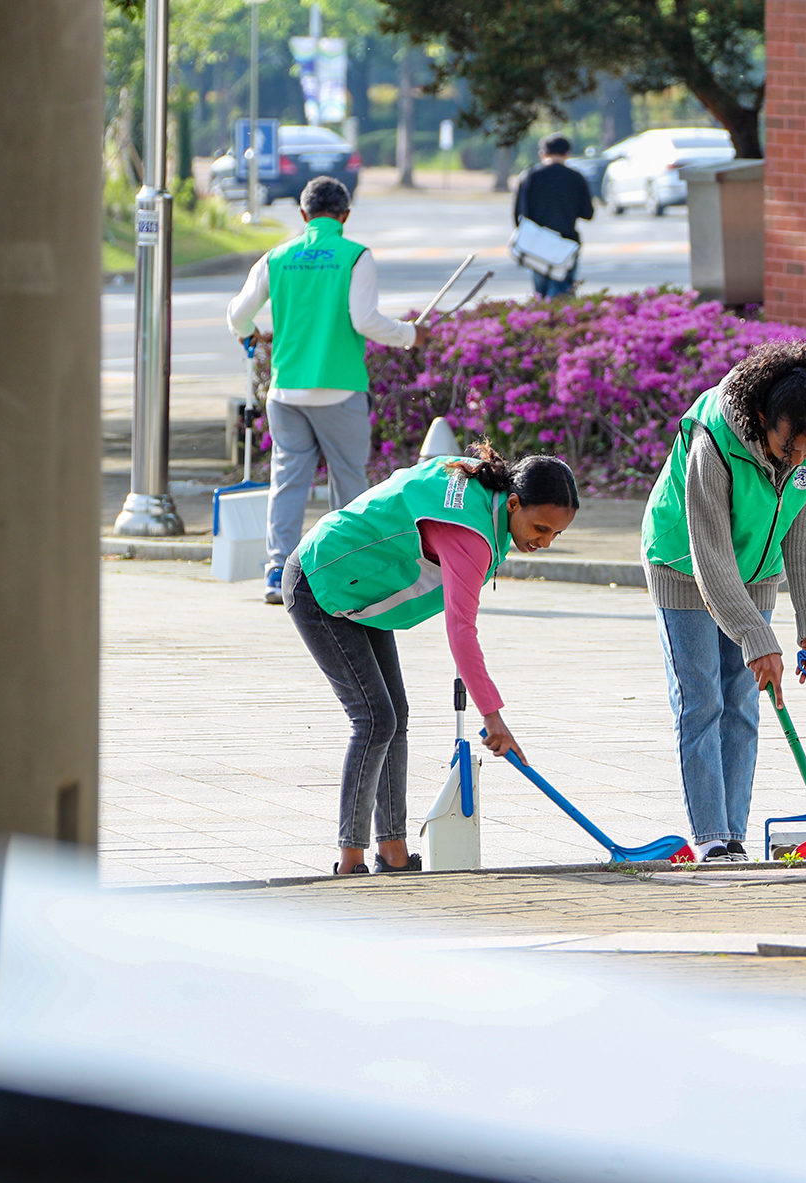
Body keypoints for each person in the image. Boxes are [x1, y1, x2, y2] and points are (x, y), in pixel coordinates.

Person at [286, 442, 579, 876]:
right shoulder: (472, 535)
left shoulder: (485, 485)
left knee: (394, 716)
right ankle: (350, 860)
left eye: (556, 534)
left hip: (363, 590)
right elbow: (461, 632)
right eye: (540, 528)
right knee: (374, 719)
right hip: (321, 583)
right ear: (513, 502)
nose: (545, 542)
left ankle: (394, 852)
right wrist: (493, 716)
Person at [640, 343, 806, 862]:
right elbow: (710, 554)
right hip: (683, 564)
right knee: (702, 699)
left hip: (757, 567)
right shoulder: (714, 438)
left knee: (744, 703)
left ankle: (733, 835)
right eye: (787, 447)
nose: (798, 459)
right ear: (761, 419)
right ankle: (710, 837)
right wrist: (757, 637)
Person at [228, 175, 419, 605]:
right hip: (340, 390)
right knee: (348, 482)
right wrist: (410, 335)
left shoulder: (276, 257)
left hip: (286, 391)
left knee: (287, 481)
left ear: (302, 214)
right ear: (345, 216)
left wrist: (252, 334)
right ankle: (345, 571)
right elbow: (365, 321)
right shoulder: (356, 256)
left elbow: (238, 314)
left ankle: (277, 572)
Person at [512, 133, 595, 298]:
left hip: (537, 245)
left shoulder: (529, 176)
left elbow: (519, 215)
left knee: (540, 295)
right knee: (563, 294)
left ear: (543, 153)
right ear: (567, 153)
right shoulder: (576, 177)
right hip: (566, 243)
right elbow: (588, 213)